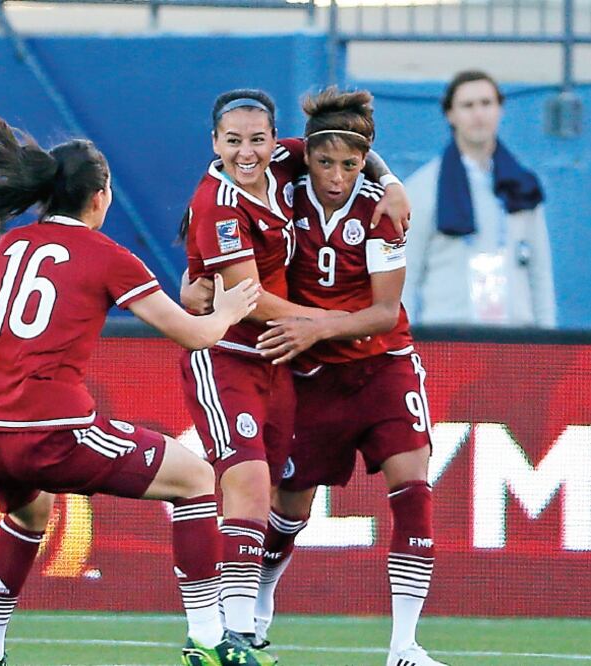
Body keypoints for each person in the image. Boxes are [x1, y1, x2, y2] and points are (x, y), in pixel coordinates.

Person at [0, 113, 268, 666]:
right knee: (196, 477)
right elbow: (193, 336)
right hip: (52, 427)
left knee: (29, 517)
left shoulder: (11, 245)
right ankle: (207, 638)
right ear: (101, 196)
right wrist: (225, 312)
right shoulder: (106, 255)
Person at [176, 88, 411, 653]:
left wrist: (394, 183)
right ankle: (223, 632)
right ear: (215, 143)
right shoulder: (217, 205)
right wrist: (333, 322)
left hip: (280, 362)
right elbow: (248, 298)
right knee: (249, 482)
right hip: (227, 354)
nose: (248, 152)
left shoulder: (287, 158)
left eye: (257, 139)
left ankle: (240, 624)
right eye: (233, 142)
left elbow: (351, 149)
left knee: (281, 497)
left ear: (276, 140)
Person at [249, 87, 446, 666]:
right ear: (305, 154)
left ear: (365, 163)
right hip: (311, 374)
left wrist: (313, 325)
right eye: (325, 161)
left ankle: (404, 645)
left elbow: (386, 312)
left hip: (383, 364)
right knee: (289, 508)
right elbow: (236, 165)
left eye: (351, 164)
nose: (336, 175)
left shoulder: (380, 211)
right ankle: (260, 609)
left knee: (413, 489)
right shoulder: (281, 182)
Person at [403, 70, 556, 328]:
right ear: (450, 114)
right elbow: (407, 275)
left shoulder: (522, 185)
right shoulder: (422, 187)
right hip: (448, 337)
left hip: (517, 339)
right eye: (467, 105)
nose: (478, 114)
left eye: (486, 103)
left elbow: (540, 272)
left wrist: (548, 338)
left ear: (500, 110)